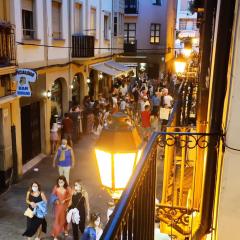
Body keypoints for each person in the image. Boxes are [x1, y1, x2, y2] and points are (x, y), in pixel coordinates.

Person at [51, 176, 72, 240]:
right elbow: (53, 196)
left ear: (64, 182)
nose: (60, 183)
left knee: (65, 219)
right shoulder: (56, 187)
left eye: (62, 182)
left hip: (65, 206)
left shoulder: (67, 188)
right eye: (59, 182)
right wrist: (56, 200)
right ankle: (55, 235)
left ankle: (65, 229)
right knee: (57, 220)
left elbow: (71, 196)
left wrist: (66, 201)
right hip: (58, 207)